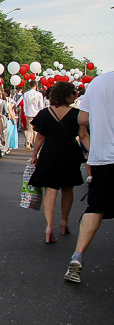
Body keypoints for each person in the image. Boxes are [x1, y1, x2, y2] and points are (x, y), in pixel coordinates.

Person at [65, 71, 113, 283]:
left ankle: (78, 255)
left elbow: (82, 119)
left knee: (96, 207)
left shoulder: (98, 82)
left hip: (103, 156)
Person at [28, 81, 85, 243]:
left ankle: (49, 226)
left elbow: (40, 136)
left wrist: (34, 154)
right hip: (70, 152)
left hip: (50, 152)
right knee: (67, 187)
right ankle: (64, 222)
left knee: (51, 189)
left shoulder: (45, 113)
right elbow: (83, 136)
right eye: (73, 93)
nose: (75, 95)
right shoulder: (77, 114)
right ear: (67, 95)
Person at [24, 85, 46, 150]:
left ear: (30, 85)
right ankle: (35, 143)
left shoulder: (26, 94)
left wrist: (25, 112)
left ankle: (28, 141)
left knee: (29, 129)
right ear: (36, 86)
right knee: (36, 130)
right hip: (37, 113)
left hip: (29, 113)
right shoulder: (39, 94)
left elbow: (25, 104)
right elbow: (41, 105)